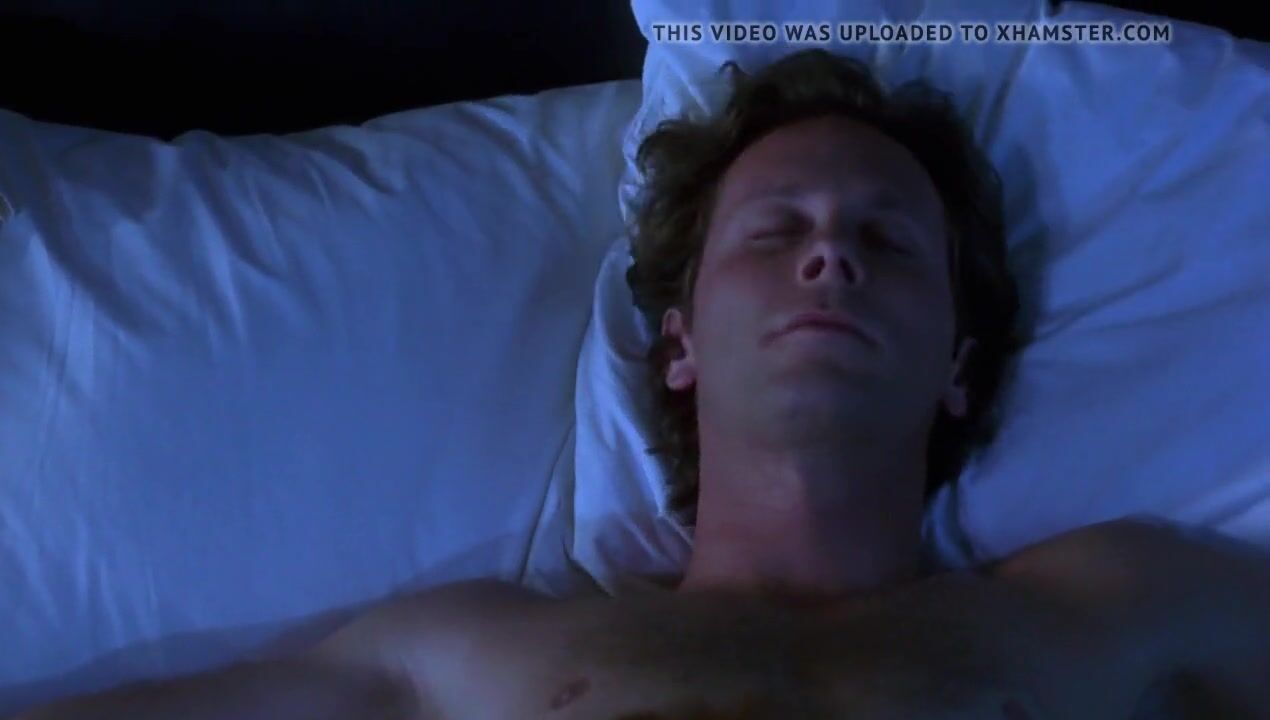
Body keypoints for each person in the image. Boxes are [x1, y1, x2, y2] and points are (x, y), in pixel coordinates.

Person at [17, 49, 1269, 720]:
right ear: (678, 344)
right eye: (776, 231)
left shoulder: (1108, 605)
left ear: (955, 366)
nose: (829, 254)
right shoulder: (470, 652)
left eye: (887, 241)